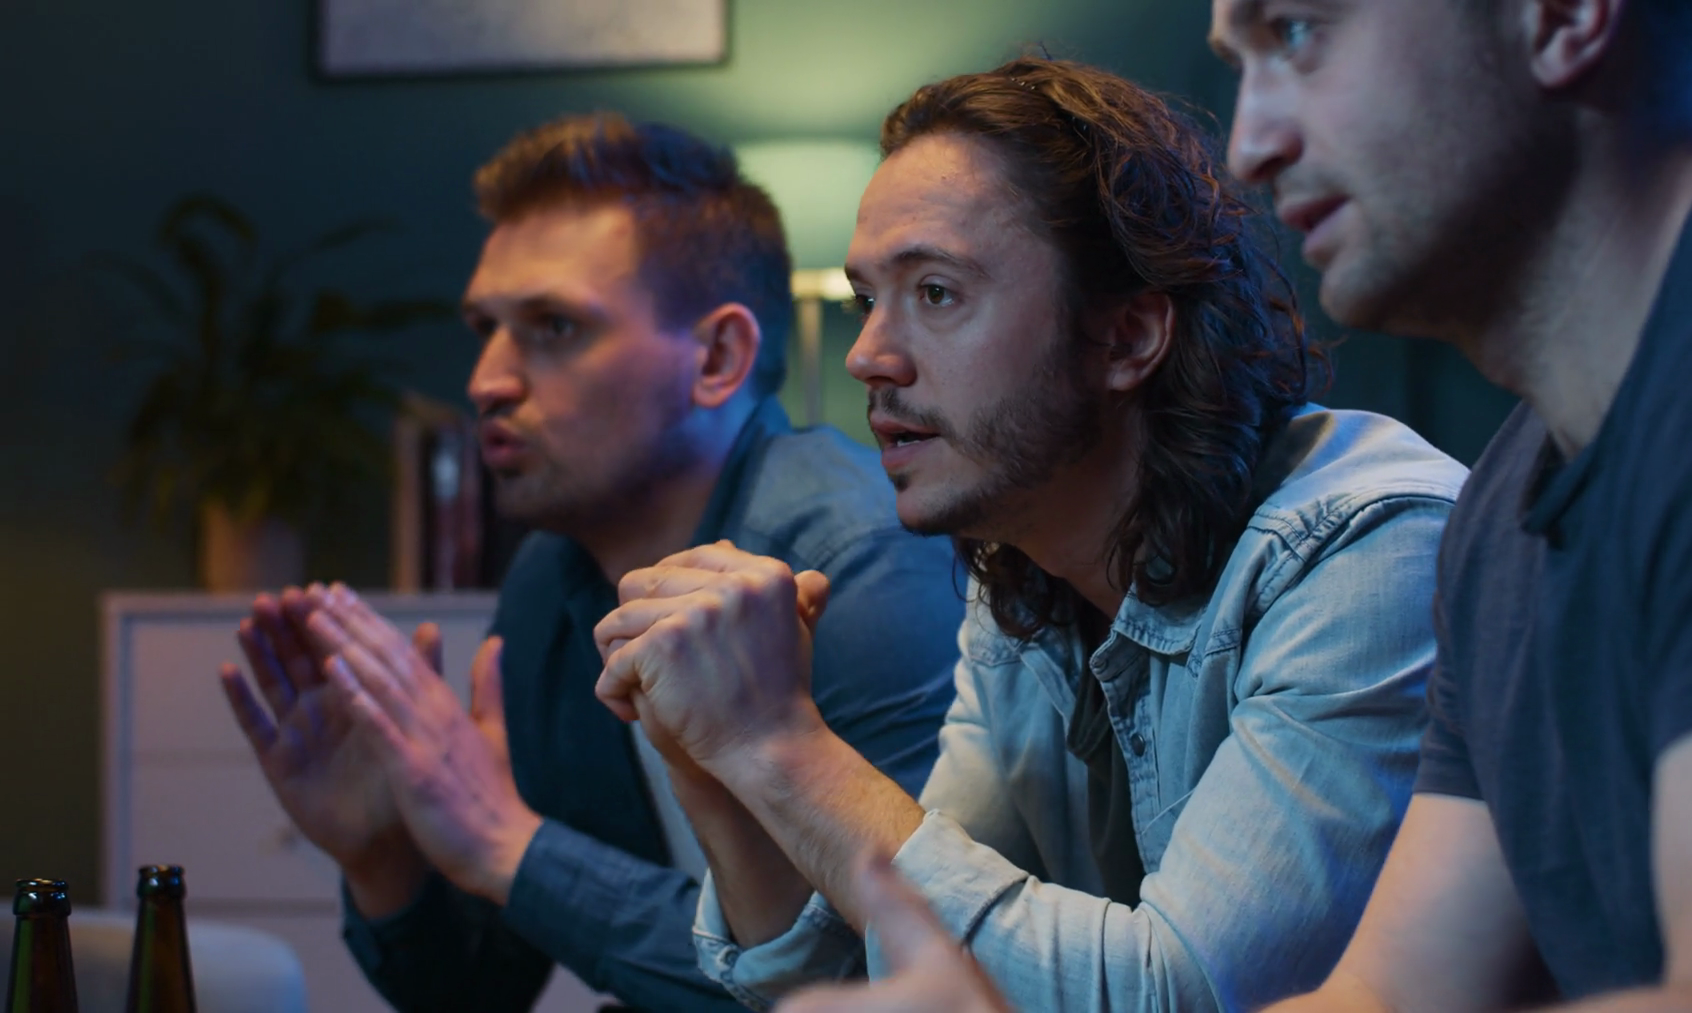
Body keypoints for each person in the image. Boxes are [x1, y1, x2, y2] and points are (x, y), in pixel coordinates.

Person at [589, 57, 1468, 1013]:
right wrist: (716, 763)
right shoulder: (1022, 578)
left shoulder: (1367, 551)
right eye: (866, 300)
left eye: (936, 292)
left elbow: (1184, 996)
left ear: (1128, 337)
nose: (867, 355)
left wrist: (782, 745)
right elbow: (885, 991)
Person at [1207, 0, 1692, 1009]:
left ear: (1560, 17)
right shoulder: (1499, 515)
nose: (1249, 148)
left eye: (1295, 31)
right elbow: (1392, 994)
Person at [215, 114, 966, 1013]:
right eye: (485, 327)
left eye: (553, 326)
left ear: (718, 356)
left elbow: (895, 985)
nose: (487, 379)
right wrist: (382, 859)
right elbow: (477, 990)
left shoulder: (863, 566)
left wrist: (509, 843)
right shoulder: (549, 580)